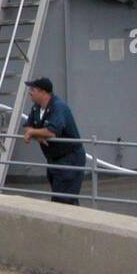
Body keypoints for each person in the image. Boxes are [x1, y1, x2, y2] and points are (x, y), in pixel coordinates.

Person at [22, 77, 87, 206]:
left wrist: (33, 133)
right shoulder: (36, 108)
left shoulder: (58, 107)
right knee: (60, 196)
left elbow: (52, 132)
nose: (30, 92)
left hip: (69, 159)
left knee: (64, 199)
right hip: (53, 159)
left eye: (33, 89)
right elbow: (28, 126)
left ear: (43, 92)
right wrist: (37, 135)